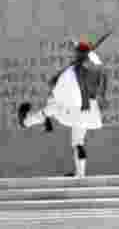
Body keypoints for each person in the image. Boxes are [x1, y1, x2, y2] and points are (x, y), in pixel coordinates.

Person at [18, 38, 108, 178]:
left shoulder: (74, 70)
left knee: (52, 106)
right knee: (78, 143)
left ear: (78, 53)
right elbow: (101, 76)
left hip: (73, 108)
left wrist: (68, 69)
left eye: (76, 52)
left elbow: (55, 83)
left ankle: (28, 121)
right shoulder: (94, 67)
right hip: (88, 112)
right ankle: (80, 174)